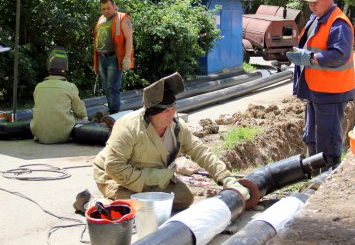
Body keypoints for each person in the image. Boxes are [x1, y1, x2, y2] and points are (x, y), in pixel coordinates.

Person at [80, 72, 249, 212]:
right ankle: (91, 202)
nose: (171, 114)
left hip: (153, 179)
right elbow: (114, 166)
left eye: (174, 108)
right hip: (115, 178)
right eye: (166, 111)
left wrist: (226, 179)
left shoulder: (177, 127)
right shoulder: (129, 127)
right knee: (135, 208)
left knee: (185, 198)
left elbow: (200, 151)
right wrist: (153, 177)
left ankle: (146, 197)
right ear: (152, 112)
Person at [292, 0, 355, 167]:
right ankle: (314, 174)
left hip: (331, 92)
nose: (311, 6)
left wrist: (311, 58)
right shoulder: (317, 18)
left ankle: (328, 177)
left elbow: (340, 55)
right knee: (311, 136)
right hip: (315, 89)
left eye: (315, 2)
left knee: (327, 140)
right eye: (309, 3)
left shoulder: (338, 22)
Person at [30, 47, 88, 144]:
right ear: (65, 68)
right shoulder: (70, 87)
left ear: (49, 66)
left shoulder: (39, 86)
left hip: (39, 134)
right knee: (84, 119)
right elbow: (81, 112)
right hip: (62, 135)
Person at [93, 0, 134, 114]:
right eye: (103, 9)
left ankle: (114, 113)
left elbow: (129, 38)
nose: (105, 11)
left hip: (114, 58)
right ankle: (112, 109)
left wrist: (127, 57)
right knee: (106, 87)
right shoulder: (101, 19)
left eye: (108, 8)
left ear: (115, 7)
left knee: (112, 87)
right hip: (102, 57)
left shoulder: (122, 18)